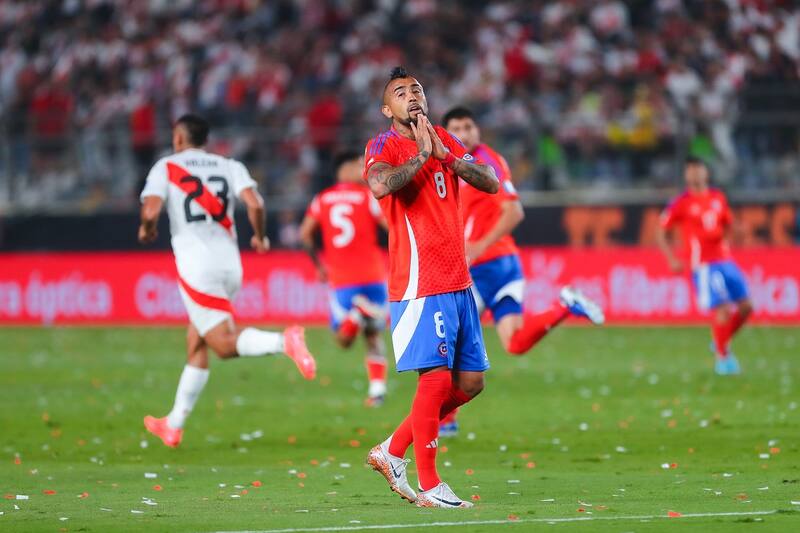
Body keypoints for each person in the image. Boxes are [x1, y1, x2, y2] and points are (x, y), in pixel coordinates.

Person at [363, 67, 500, 508]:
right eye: (400, 93)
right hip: (420, 282)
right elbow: (380, 187)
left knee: (471, 383)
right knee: (436, 381)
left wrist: (447, 157)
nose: (411, 96)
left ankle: (392, 450)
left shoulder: (441, 136)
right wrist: (422, 157)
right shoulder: (384, 144)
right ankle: (430, 484)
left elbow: (490, 182)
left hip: (458, 279)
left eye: (417, 89)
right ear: (388, 109)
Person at [138, 114, 317, 448]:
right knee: (197, 339)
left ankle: (285, 341)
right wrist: (261, 238)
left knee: (221, 342)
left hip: (196, 266)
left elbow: (150, 212)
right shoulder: (228, 165)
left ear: (178, 138)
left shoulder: (166, 166)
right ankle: (173, 424)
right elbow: (256, 204)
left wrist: (147, 230)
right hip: (230, 265)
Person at [440, 106, 605, 437]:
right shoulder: (455, 166)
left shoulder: (487, 161)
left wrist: (477, 246)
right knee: (513, 343)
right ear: (446, 133)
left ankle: (446, 418)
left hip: (487, 265)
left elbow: (514, 211)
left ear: (478, 131)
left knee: (448, 340)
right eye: (457, 127)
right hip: (500, 264)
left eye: (469, 126)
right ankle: (564, 305)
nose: (465, 132)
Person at [299, 151, 390, 407]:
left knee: (343, 339)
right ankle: (377, 391)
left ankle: (355, 316)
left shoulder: (322, 200)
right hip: (373, 274)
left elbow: (304, 234)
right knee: (373, 335)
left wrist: (318, 264)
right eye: (359, 166)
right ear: (344, 168)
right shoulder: (369, 197)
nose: (364, 170)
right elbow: (391, 227)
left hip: (342, 279)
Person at [656, 157, 751, 375]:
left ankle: (720, 340)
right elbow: (661, 231)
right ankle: (722, 357)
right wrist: (671, 258)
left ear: (706, 173)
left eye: (697, 169)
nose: (694, 173)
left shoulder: (718, 197)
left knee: (747, 307)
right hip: (704, 265)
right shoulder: (681, 203)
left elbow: (728, 224)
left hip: (725, 260)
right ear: (685, 175)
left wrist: (734, 234)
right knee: (723, 308)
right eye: (689, 170)